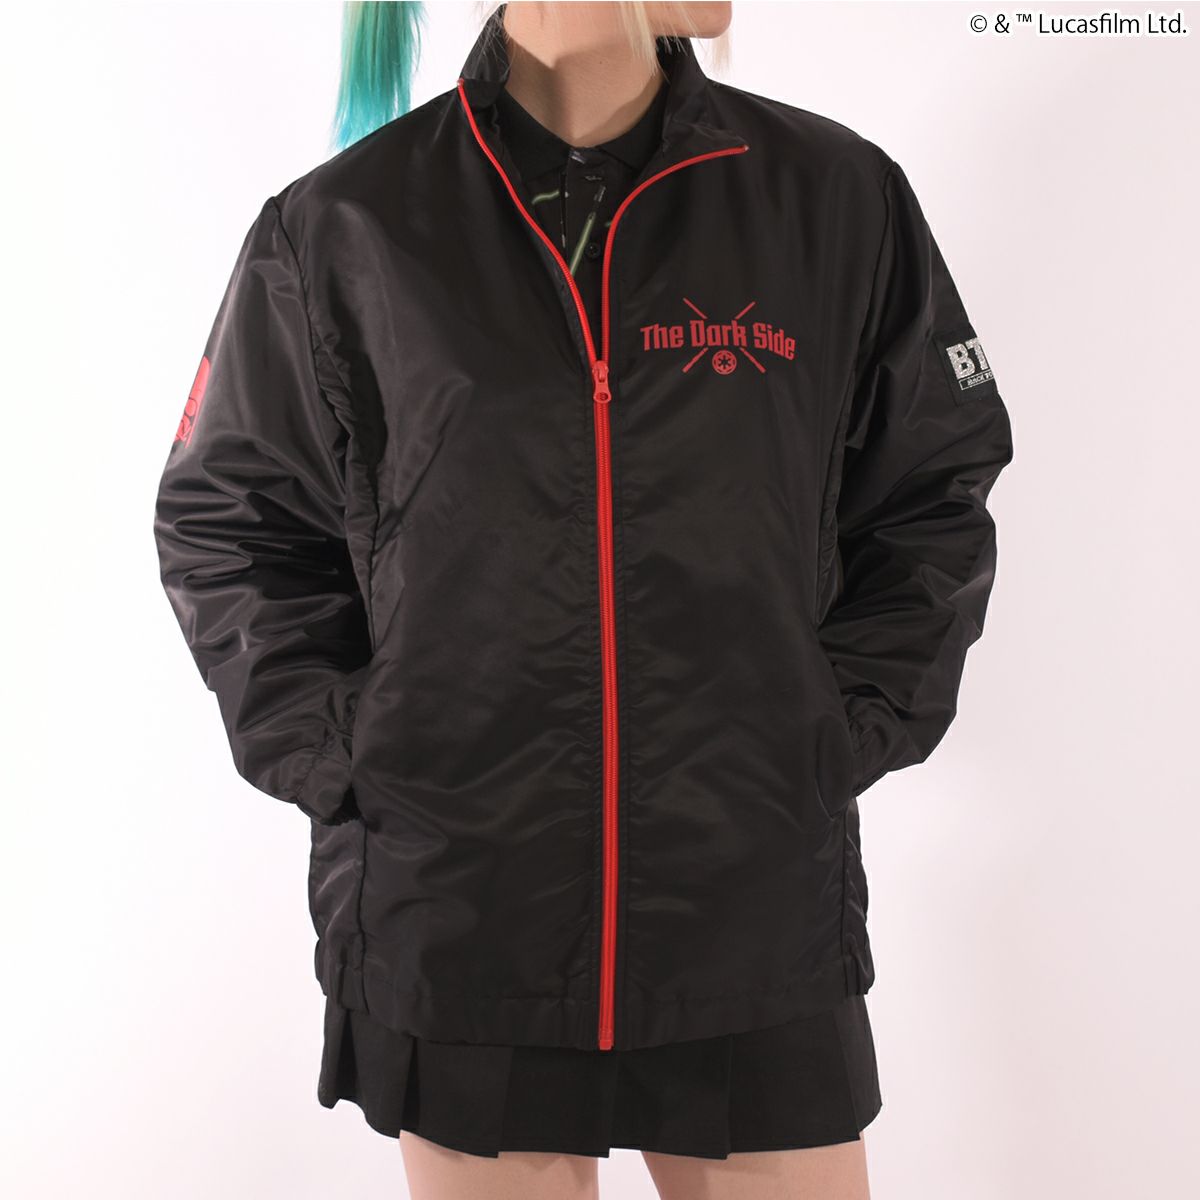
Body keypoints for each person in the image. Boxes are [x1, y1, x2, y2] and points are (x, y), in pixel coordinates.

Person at [152, 2, 1014, 1196]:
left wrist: (840, 724)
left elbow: (931, 486)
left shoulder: (831, 197)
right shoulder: (347, 224)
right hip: (461, 915)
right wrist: (350, 753)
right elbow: (233, 520)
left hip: (748, 903)